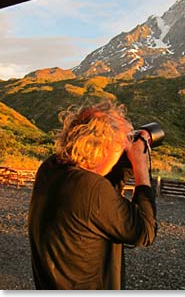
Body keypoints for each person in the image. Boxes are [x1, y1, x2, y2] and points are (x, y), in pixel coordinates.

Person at [28, 99, 157, 290]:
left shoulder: (51, 167)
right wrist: (140, 165)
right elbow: (144, 232)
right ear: (105, 147)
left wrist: (128, 154)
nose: (125, 147)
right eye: (122, 142)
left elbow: (101, 187)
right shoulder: (91, 189)